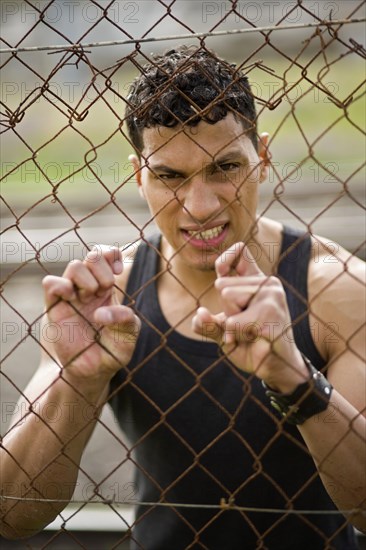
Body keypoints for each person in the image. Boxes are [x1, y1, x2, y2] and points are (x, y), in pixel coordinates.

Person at [1, 45, 365, 549]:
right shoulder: (104, 298)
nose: (200, 206)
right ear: (138, 175)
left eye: (225, 168)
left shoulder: (338, 288)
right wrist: (76, 380)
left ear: (262, 160)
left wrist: (295, 380)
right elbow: (13, 516)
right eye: (170, 176)